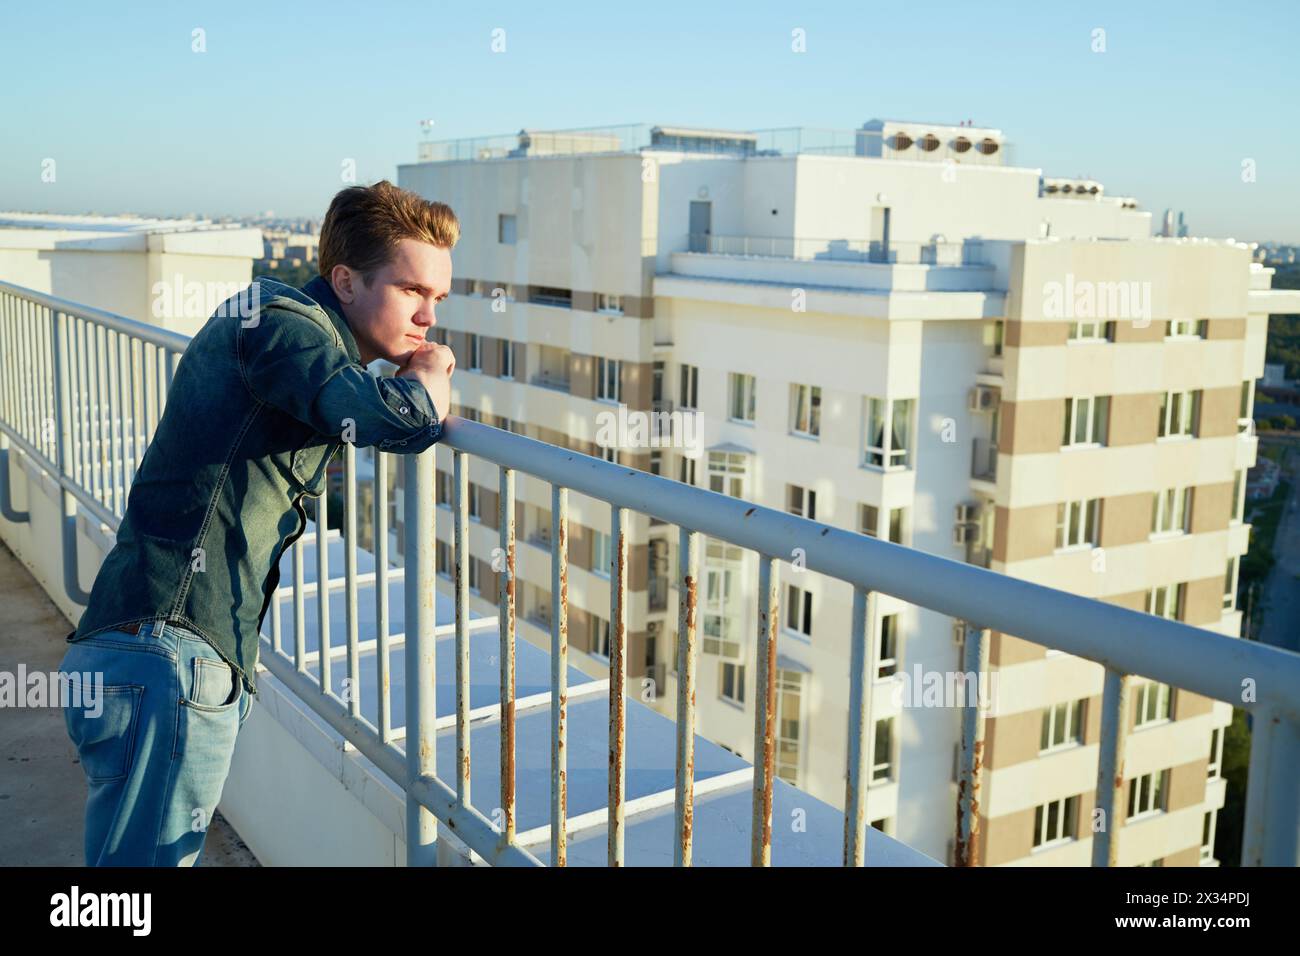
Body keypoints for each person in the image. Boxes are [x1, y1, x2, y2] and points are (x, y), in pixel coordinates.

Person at [57, 180, 458, 865]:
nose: (427, 316)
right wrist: (431, 378)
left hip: (141, 648)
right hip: (168, 658)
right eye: (411, 290)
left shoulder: (273, 318)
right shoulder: (282, 324)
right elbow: (385, 418)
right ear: (346, 281)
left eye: (438, 300)